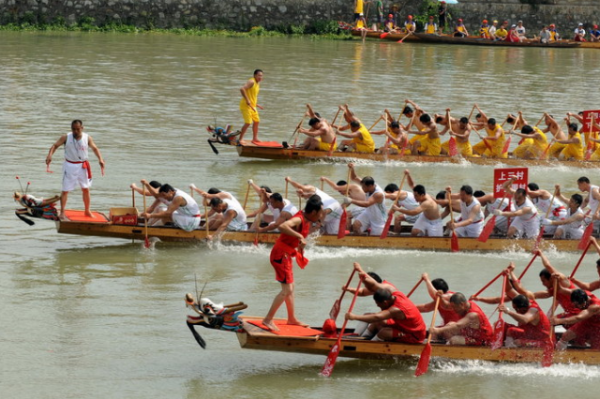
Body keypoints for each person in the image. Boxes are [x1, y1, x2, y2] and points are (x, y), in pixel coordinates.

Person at [262, 195, 323, 332]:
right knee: (287, 290)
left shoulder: (306, 218)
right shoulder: (299, 218)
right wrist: (300, 236)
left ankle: (291, 318)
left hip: (286, 254)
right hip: (280, 255)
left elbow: (298, 235)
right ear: (313, 212)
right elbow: (283, 226)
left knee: (291, 287)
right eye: (320, 213)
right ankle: (268, 319)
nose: (321, 216)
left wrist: (301, 241)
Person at [473, 263, 551, 348]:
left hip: (541, 340)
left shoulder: (534, 310)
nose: (517, 311)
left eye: (517, 310)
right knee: (499, 325)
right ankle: (495, 345)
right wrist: (506, 275)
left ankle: (508, 353)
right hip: (528, 333)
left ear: (524, 308)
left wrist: (508, 311)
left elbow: (525, 320)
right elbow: (509, 289)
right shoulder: (521, 299)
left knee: (517, 340)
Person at [345, 264, 426, 343]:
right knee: (376, 323)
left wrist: (354, 317)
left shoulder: (396, 309)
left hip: (414, 335)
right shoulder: (395, 293)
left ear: (385, 302)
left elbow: (377, 317)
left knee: (384, 332)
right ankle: (358, 339)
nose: (379, 307)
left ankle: (367, 347)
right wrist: (361, 273)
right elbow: (373, 286)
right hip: (403, 327)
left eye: (379, 305)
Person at [45, 120, 105, 220]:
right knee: (65, 190)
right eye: (73, 129)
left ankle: (87, 211)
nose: (75, 131)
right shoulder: (66, 137)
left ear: (82, 128)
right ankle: (62, 212)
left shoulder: (87, 138)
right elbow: (55, 146)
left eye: (78, 129)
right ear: (71, 128)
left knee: (86, 189)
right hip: (69, 165)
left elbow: (95, 148)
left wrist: (101, 159)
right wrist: (49, 155)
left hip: (83, 166)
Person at [429, 292, 493, 345]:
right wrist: (441, 298)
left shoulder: (473, 315)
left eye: (454, 307)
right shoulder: (466, 304)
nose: (453, 310)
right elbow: (447, 306)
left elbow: (458, 325)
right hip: (471, 333)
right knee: (449, 325)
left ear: (462, 304)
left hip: (482, 341)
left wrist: (438, 330)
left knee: (454, 340)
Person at [344, 163, 387, 235]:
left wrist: (351, 200)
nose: (362, 188)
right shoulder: (367, 184)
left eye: (363, 187)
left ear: (370, 186)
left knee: (376, 239)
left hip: (378, 219)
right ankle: (359, 240)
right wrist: (352, 168)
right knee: (356, 225)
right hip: (368, 213)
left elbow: (367, 204)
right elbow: (354, 178)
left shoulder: (378, 194)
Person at [238, 69, 264, 144]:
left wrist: (256, 104)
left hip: (252, 106)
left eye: (261, 76)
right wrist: (247, 100)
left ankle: (255, 138)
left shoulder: (258, 83)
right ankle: (240, 139)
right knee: (248, 122)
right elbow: (242, 89)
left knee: (257, 121)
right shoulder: (251, 81)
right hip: (245, 106)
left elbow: (252, 95)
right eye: (259, 75)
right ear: (255, 75)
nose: (260, 77)